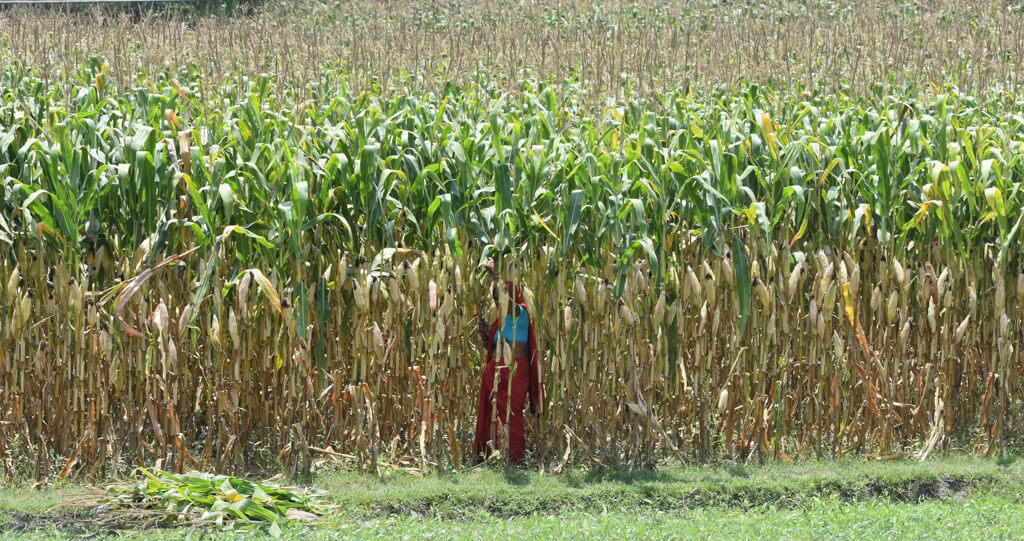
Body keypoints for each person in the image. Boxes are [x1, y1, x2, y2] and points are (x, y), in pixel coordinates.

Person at [473, 257, 544, 464]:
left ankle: (516, 459)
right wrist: (485, 335)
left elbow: (503, 299)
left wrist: (495, 273)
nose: (497, 301)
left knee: (512, 414)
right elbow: (493, 349)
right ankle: (492, 456)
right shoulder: (500, 321)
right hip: (494, 372)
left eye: (501, 296)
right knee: (492, 414)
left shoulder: (520, 313)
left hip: (513, 371)